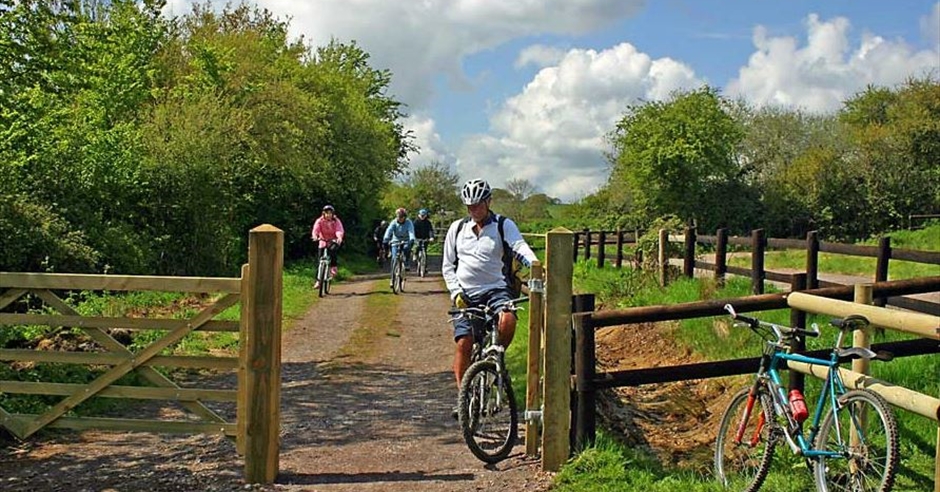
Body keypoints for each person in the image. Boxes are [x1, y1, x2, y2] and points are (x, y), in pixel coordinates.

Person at [441, 178, 538, 417]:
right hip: (465, 293)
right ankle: (464, 397)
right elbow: (447, 266)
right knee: (463, 343)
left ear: (488, 202)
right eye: (470, 206)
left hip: (496, 289)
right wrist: (456, 292)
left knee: (508, 319)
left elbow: (519, 247)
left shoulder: (504, 225)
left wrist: (535, 264)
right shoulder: (457, 229)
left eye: (478, 205)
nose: (474, 210)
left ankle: (496, 360)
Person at [311, 204, 345, 290]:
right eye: (327, 213)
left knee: (333, 251)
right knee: (320, 261)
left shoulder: (336, 221)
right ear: (324, 213)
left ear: (333, 214)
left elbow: (339, 229)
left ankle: (333, 267)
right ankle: (318, 281)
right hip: (322, 241)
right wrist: (315, 236)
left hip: (333, 240)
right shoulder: (319, 221)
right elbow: (316, 229)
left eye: (330, 213)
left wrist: (339, 237)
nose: (329, 215)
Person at [383, 208, 416, 281]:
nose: (400, 218)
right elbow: (389, 230)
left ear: (405, 217)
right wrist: (386, 238)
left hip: (406, 240)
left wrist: (412, 239)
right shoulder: (394, 222)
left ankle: (406, 261)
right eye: (398, 217)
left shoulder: (409, 222)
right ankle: (393, 277)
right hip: (396, 240)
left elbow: (411, 231)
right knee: (394, 258)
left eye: (401, 217)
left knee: (407, 248)